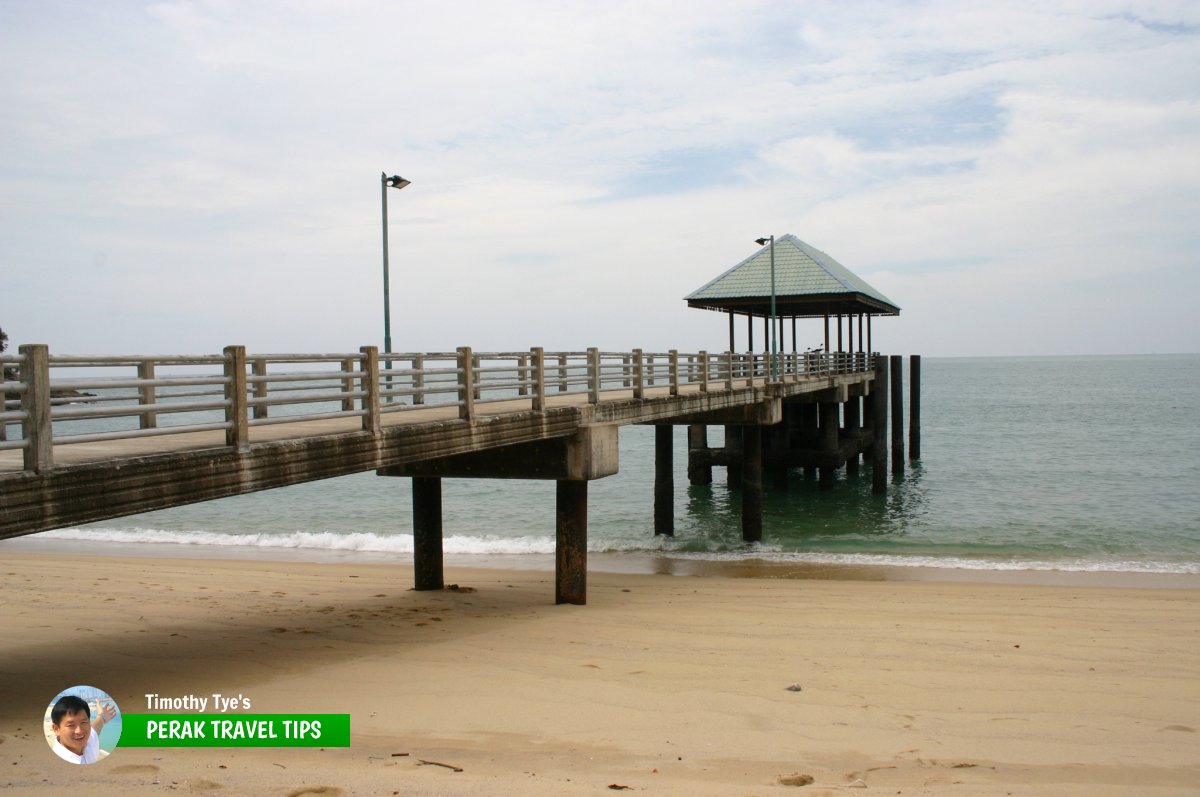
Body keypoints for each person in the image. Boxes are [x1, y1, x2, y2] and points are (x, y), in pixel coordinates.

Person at [50, 694, 116, 764]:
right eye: (71, 725)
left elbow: (95, 729)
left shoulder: (88, 742)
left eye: (83, 722)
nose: (79, 731)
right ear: (56, 729)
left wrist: (102, 717)